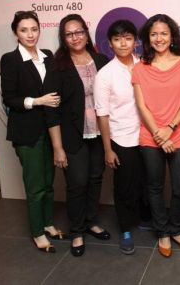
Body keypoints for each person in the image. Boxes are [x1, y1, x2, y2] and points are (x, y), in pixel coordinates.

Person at [45, 14, 110, 257]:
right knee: (77, 184)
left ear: (86, 32)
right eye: (69, 34)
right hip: (73, 135)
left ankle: (91, 221)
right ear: (63, 38)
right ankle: (77, 232)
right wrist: (58, 147)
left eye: (79, 31)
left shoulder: (101, 59)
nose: (75, 37)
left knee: (95, 179)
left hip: (99, 132)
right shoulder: (57, 66)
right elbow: (51, 110)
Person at [132, 14, 180, 258]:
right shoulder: (140, 68)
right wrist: (159, 136)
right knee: (155, 187)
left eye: (164, 33)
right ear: (148, 38)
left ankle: (177, 229)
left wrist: (170, 128)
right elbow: (141, 105)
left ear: (172, 37)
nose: (159, 38)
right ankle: (162, 232)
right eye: (154, 34)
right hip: (150, 137)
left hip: (179, 134)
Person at [0, 10, 63, 253]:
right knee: (35, 185)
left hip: (51, 130)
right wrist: (39, 101)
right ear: (16, 32)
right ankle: (38, 232)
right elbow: (10, 99)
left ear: (40, 30)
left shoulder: (47, 56)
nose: (30, 34)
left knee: (48, 183)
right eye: (24, 30)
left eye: (34, 29)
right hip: (27, 132)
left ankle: (47, 223)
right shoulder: (10, 59)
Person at [94, 20, 152, 255]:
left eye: (127, 38)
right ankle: (125, 229)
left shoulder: (146, 65)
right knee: (124, 186)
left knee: (146, 181)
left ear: (136, 40)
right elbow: (102, 114)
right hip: (121, 138)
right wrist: (108, 149)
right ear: (110, 44)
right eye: (117, 39)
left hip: (147, 135)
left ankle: (144, 218)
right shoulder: (105, 74)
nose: (123, 43)